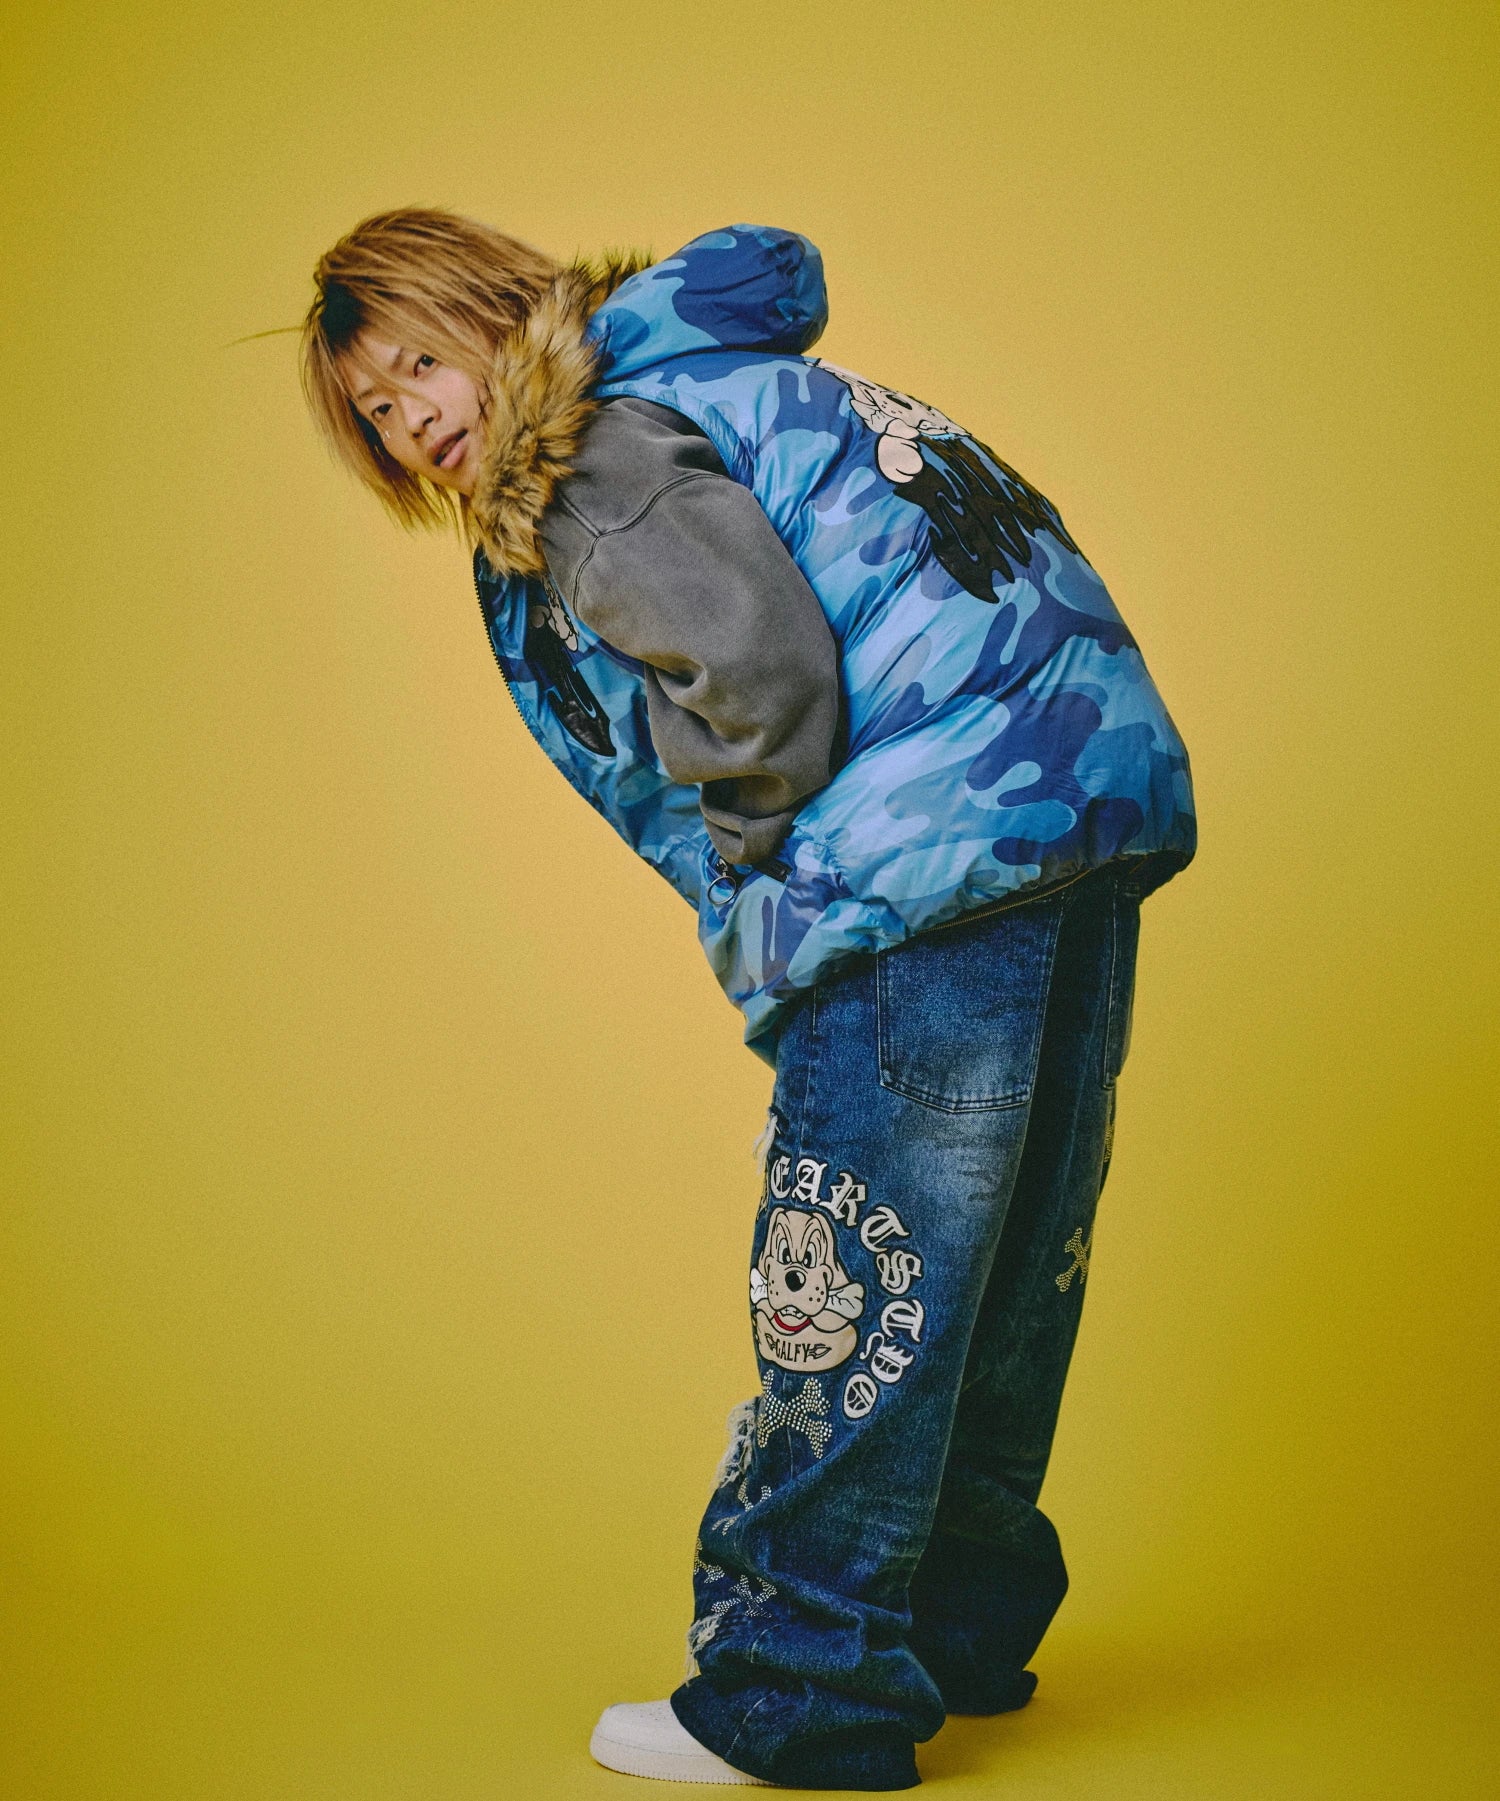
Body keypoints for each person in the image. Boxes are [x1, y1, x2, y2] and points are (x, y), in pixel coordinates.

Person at [299, 212, 1196, 1791]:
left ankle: (802, 1684)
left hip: (923, 853)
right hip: (1069, 798)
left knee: (856, 1271)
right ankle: (958, 1621)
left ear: (501, 311)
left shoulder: (587, 458)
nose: (414, 417)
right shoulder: (705, 372)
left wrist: (756, 850)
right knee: (1001, 1268)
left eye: (424, 361)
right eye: (376, 409)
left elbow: (763, 675)